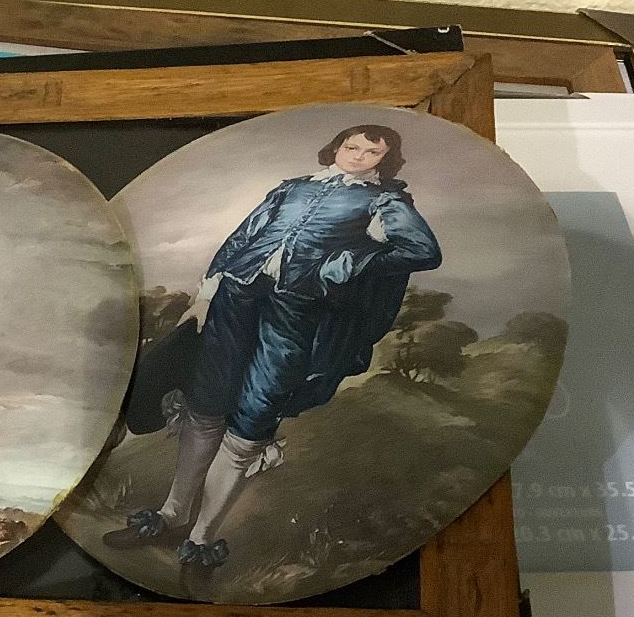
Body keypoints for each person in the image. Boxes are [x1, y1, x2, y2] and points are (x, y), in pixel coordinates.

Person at [106, 124, 440, 583]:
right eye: (351, 146)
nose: (358, 156)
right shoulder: (293, 188)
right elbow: (241, 239)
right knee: (207, 405)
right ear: (336, 147)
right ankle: (172, 514)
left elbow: (422, 250)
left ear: (385, 159)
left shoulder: (384, 201)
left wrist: (348, 263)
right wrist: (206, 295)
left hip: (297, 312)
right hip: (235, 299)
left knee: (254, 416)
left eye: (371, 152)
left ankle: (200, 539)